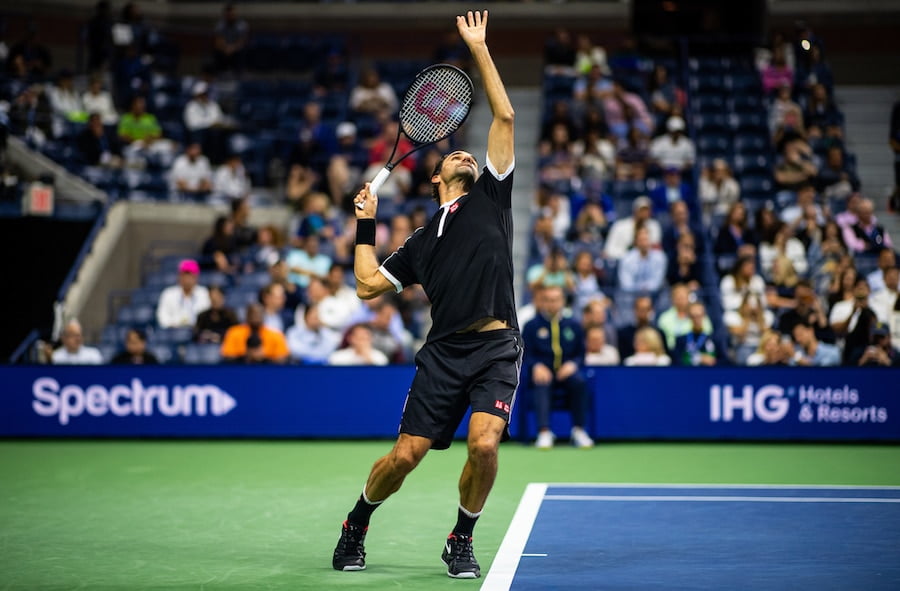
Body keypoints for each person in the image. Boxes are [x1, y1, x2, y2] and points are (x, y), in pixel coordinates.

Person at [332, 12, 519, 579]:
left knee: (484, 446)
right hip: (443, 355)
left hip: (497, 347)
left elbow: (505, 114)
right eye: (454, 155)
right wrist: (366, 223)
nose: (465, 153)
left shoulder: (491, 197)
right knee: (405, 457)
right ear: (435, 176)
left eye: (468, 153)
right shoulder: (418, 241)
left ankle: (461, 538)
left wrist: (479, 48)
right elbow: (367, 287)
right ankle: (356, 523)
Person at [522, 285, 594, 450]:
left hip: (566, 373)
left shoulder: (574, 325)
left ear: (562, 301)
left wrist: (573, 364)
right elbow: (526, 353)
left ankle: (579, 431)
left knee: (580, 382)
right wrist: (536, 366)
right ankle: (544, 432)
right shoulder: (531, 326)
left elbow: (581, 354)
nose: (551, 303)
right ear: (542, 301)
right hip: (543, 373)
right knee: (541, 382)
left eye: (555, 300)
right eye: (547, 300)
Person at [220, 303, 289, 363]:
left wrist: (264, 358)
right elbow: (227, 355)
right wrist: (247, 355)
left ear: (264, 316)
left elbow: (282, 358)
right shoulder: (234, 332)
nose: (256, 317)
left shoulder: (276, 335)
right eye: (252, 314)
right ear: (247, 315)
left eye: (259, 314)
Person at [157, 259, 211, 329]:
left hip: (196, 331)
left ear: (196, 277)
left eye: (190, 275)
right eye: (184, 275)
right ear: (179, 276)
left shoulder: (204, 293)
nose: (187, 279)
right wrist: (172, 325)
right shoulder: (168, 293)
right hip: (173, 332)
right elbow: (162, 316)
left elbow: (206, 315)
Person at [617, 226, 667, 293]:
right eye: (641, 240)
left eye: (646, 239)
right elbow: (626, 284)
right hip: (632, 294)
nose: (644, 243)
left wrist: (645, 290)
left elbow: (657, 282)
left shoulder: (660, 257)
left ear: (650, 240)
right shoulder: (626, 259)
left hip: (654, 294)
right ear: (636, 242)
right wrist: (639, 291)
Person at [671, 302, 718, 366]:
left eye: (699, 316)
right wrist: (698, 359)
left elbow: (724, 360)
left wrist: (713, 361)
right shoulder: (680, 340)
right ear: (689, 317)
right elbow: (676, 361)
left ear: (704, 316)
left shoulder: (714, 339)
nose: (696, 319)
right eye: (693, 316)